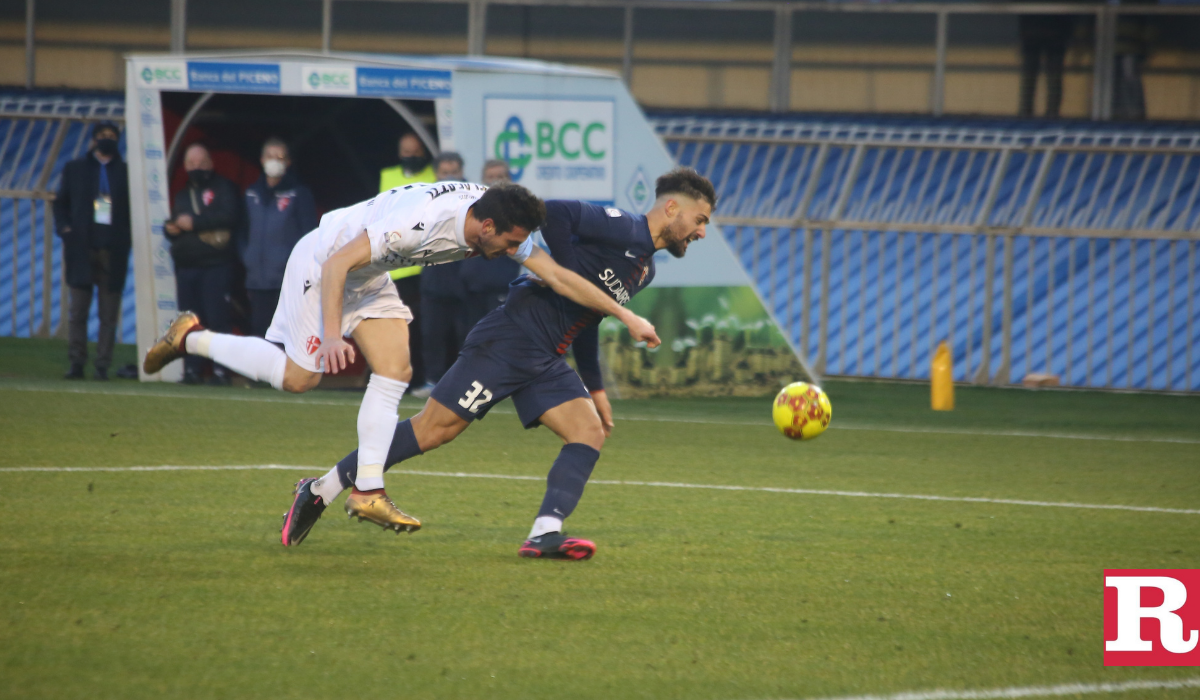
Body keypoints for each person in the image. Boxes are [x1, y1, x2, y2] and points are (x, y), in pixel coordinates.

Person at [143, 182, 659, 537]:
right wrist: (329, 333)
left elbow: (562, 278)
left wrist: (627, 317)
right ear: (485, 226)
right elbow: (340, 261)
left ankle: (367, 491)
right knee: (300, 377)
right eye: (510, 242)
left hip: (367, 277)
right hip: (324, 262)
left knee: (396, 371)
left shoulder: (496, 215)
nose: (514, 251)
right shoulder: (421, 225)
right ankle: (192, 337)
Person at [281, 168, 716, 560]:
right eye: (700, 221)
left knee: (588, 431)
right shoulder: (622, 228)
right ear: (672, 207)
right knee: (434, 430)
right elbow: (557, 214)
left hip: (546, 356)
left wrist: (596, 388)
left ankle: (545, 534)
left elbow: (589, 318)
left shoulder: (645, 271)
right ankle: (320, 490)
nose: (701, 232)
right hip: (511, 337)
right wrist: (563, 275)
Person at [54, 120, 130, 381]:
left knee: (109, 314)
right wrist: (65, 230)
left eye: (112, 136)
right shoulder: (75, 169)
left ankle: (102, 366)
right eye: (103, 135)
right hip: (81, 250)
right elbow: (60, 203)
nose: (107, 139)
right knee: (78, 312)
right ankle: (77, 363)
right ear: (94, 139)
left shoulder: (126, 172)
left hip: (113, 251)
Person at [163, 143, 241, 384]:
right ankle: (192, 370)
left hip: (216, 265)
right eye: (190, 164)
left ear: (210, 163)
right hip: (187, 267)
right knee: (189, 322)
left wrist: (195, 223)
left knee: (217, 320)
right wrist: (172, 229)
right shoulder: (183, 194)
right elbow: (180, 221)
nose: (195, 168)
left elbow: (230, 216)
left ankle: (220, 370)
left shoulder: (224, 188)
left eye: (200, 162)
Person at [241, 137, 318, 338]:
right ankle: (260, 371)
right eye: (270, 156)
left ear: (288, 162)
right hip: (257, 279)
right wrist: (247, 257)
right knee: (259, 331)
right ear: (261, 159)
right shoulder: (251, 194)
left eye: (280, 156)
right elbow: (241, 231)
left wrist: (297, 265)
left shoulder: (299, 193)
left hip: (287, 278)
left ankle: (287, 371)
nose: (274, 160)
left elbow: (310, 234)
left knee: (288, 332)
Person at [380, 134, 438, 387]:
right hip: (396, 269)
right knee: (397, 329)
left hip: (424, 266)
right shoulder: (387, 175)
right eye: (406, 151)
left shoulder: (434, 176)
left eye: (415, 151)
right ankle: (399, 378)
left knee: (426, 329)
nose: (411, 156)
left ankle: (424, 378)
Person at [413, 152, 470, 399]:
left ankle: (466, 384)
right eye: (445, 172)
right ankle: (432, 382)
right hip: (434, 282)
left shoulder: (474, 199)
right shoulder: (424, 201)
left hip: (465, 282)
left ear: (462, 172)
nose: (450, 177)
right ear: (436, 174)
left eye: (454, 171)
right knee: (432, 335)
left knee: (467, 336)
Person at [461, 158, 521, 330]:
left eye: (500, 176)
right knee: (472, 341)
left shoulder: (518, 209)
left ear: (509, 180)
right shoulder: (471, 207)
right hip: (472, 289)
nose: (494, 181)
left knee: (499, 338)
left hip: (500, 287)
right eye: (490, 177)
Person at [1017, 6, 1077, 118]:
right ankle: (1026, 113)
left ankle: (1051, 113)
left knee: (1053, 78)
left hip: (1055, 35)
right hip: (1033, 34)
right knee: (1030, 77)